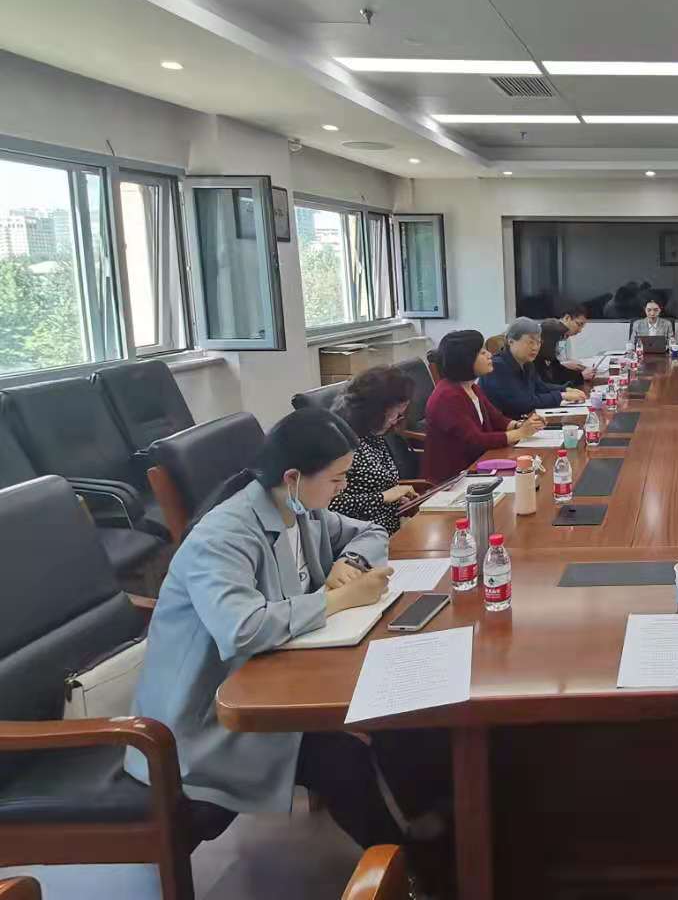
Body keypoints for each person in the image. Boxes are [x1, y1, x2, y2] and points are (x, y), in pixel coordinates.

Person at [125, 409, 452, 868]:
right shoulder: (221, 538)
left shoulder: (300, 509)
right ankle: (407, 870)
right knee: (339, 757)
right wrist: (338, 600)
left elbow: (371, 530)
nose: (343, 488)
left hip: (279, 671)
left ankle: (438, 827)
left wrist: (351, 563)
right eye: (336, 479)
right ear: (293, 476)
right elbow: (242, 628)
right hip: (207, 717)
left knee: (401, 711)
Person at [426, 330, 546, 481]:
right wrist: (521, 433)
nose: (490, 355)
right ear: (465, 360)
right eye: (482, 352)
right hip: (454, 478)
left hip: (480, 465)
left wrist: (521, 425)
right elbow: (476, 441)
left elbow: (497, 419)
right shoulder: (447, 396)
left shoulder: (471, 387)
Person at [328, 365, 427, 534]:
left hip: (390, 530)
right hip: (361, 537)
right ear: (376, 410)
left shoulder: (373, 434)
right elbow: (330, 506)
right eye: (396, 414)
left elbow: (379, 486)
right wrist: (384, 497)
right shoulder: (340, 442)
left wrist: (396, 499)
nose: (396, 421)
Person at [481, 316, 587, 419]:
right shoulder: (497, 366)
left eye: (538, 342)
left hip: (522, 421)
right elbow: (523, 402)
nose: (535, 347)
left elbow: (540, 387)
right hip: (502, 427)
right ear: (511, 341)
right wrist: (561, 396)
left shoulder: (527, 363)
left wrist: (566, 389)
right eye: (530, 342)